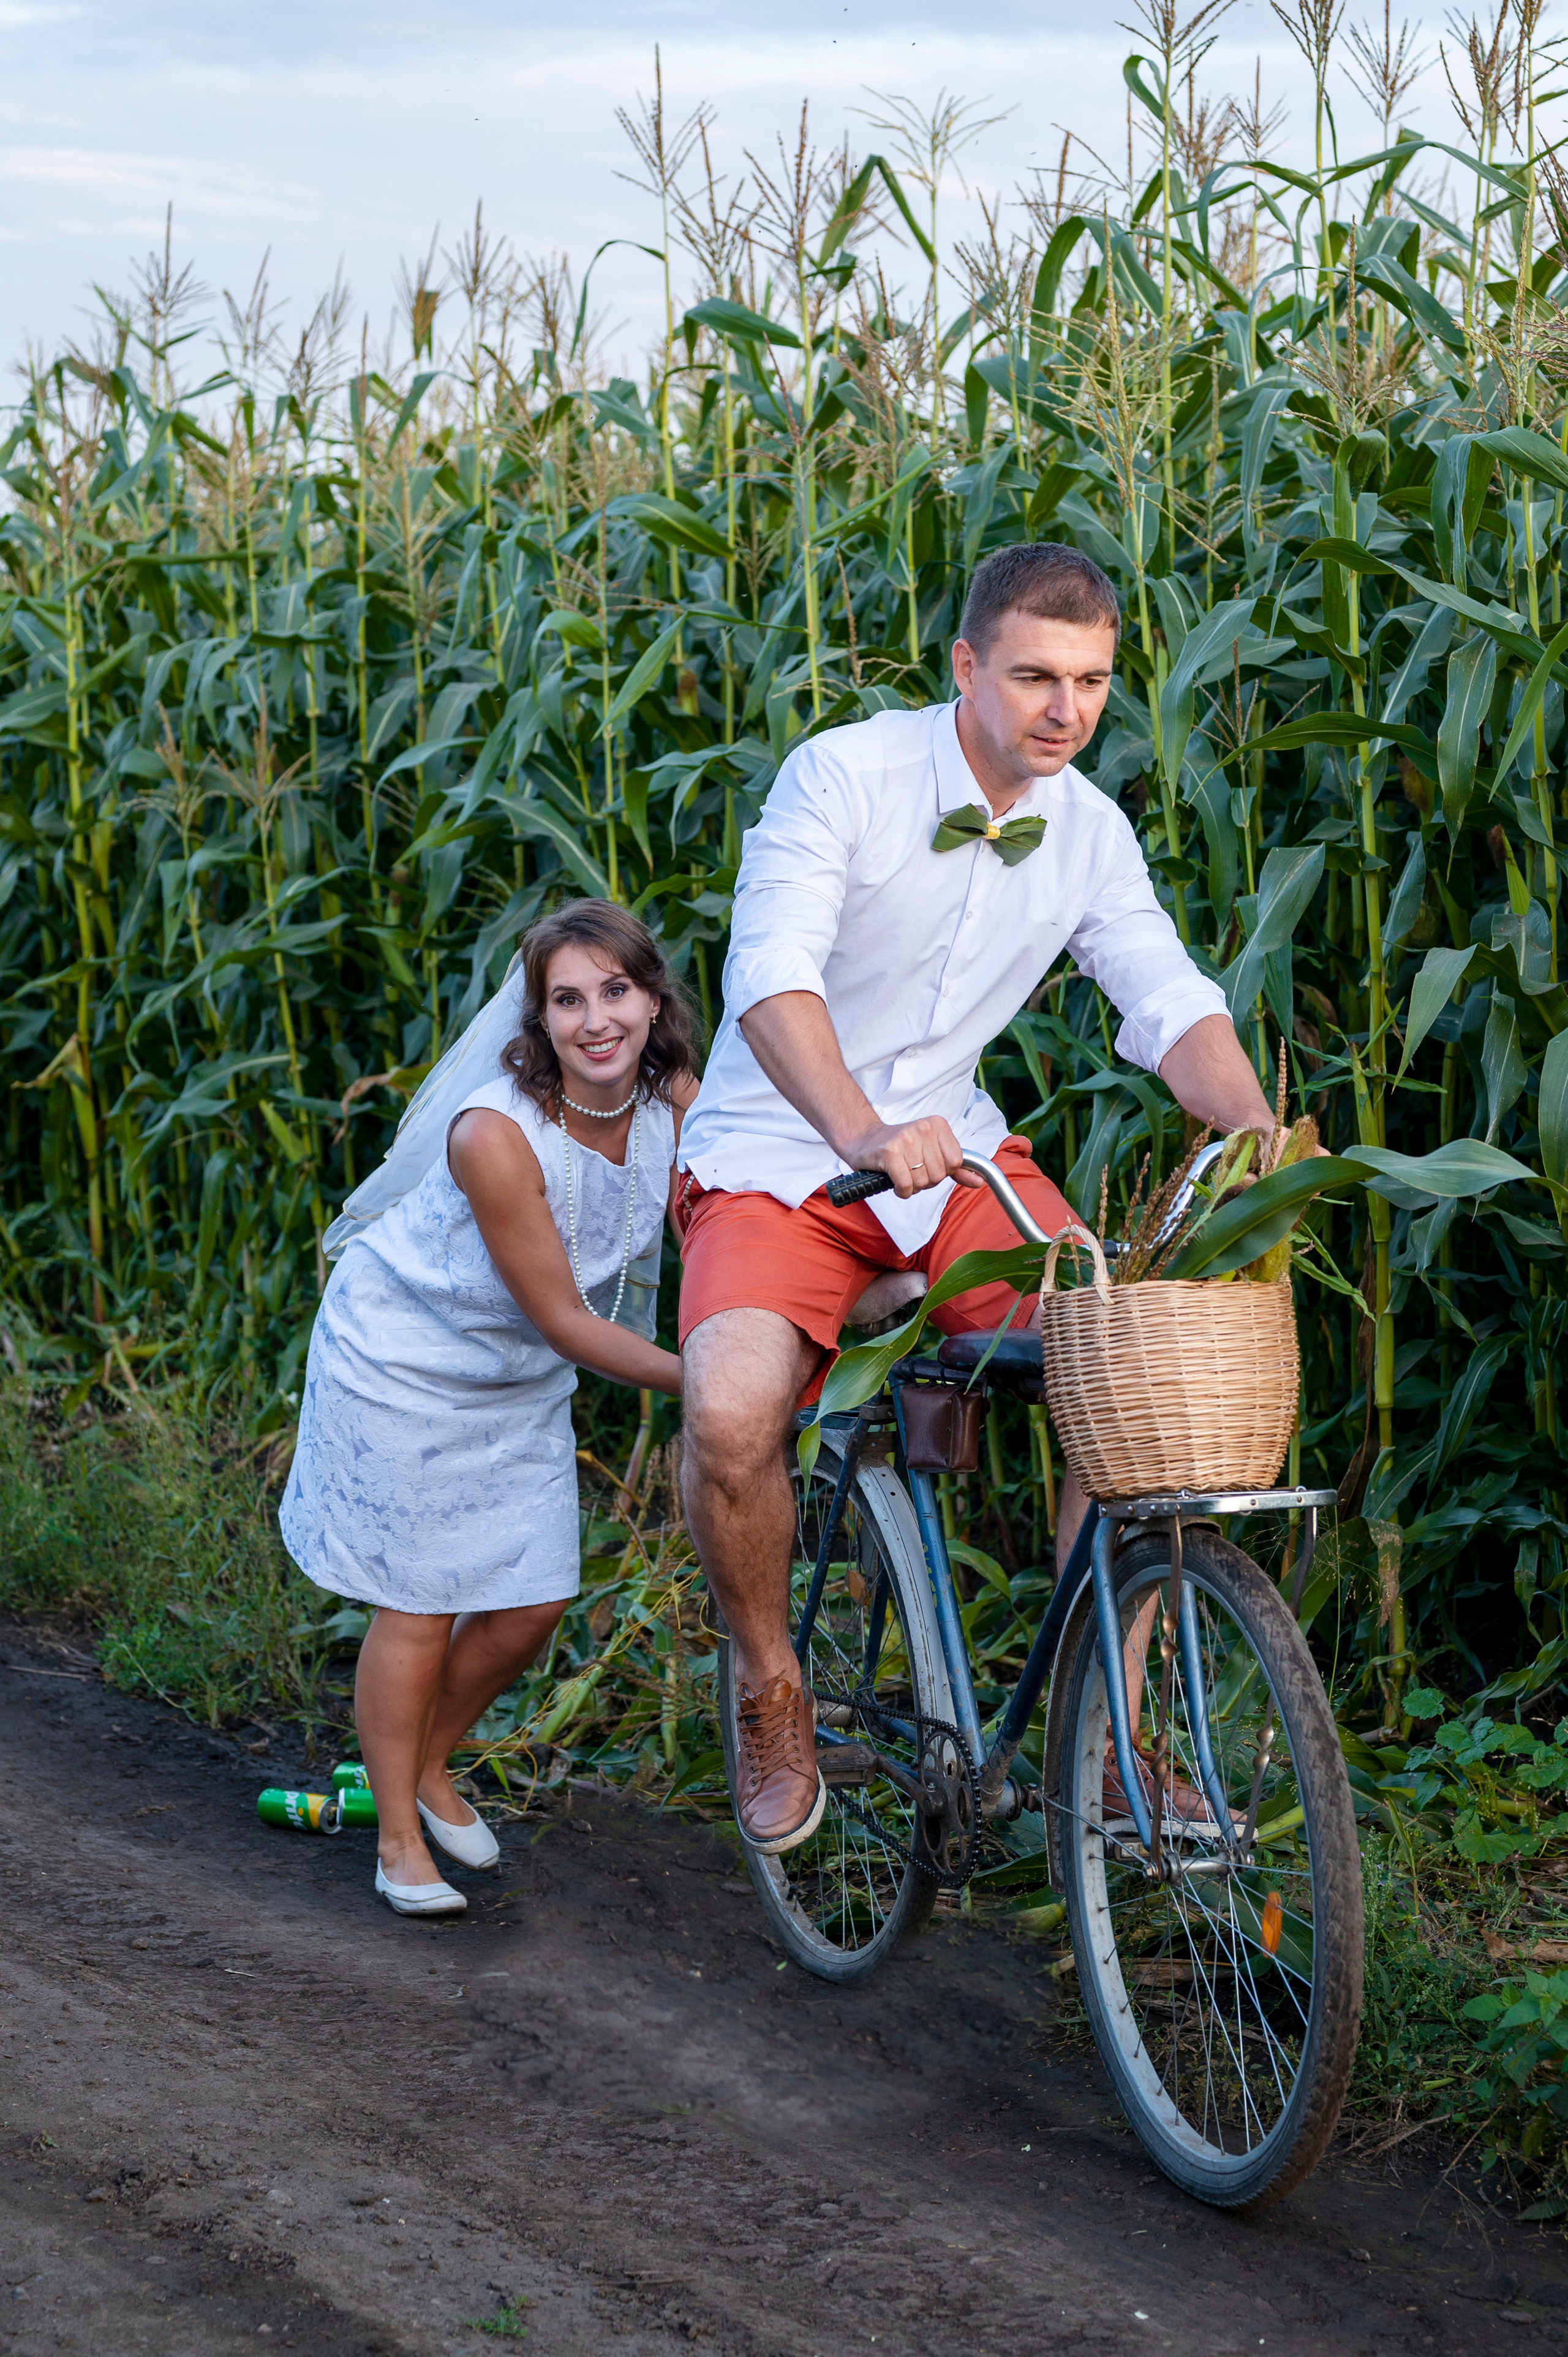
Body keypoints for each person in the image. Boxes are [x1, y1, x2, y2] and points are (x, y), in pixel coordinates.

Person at [674, 540, 1279, 1856]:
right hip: (783, 1151)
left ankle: (1103, 1741)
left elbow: (1163, 995)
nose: (1062, 709)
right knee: (727, 1414)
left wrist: (1247, 1126)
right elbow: (767, 973)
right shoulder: (844, 775)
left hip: (953, 1158)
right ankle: (771, 1684)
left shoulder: (1087, 831)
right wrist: (858, 1126)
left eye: (1091, 681)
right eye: (1031, 676)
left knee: (1124, 1376)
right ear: (963, 666)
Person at [281, 901, 700, 1915]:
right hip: (404, 1359)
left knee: (534, 1596)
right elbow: (563, 1317)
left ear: (652, 1000)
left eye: (615, 991)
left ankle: (427, 1766)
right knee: (420, 1601)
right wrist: (714, 1379)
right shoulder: (495, 1136)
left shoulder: (680, 1100)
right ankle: (393, 1841)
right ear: (537, 1017)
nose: (595, 1020)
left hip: (510, 1375)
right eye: (567, 1000)